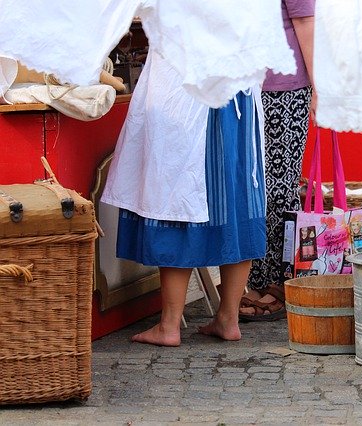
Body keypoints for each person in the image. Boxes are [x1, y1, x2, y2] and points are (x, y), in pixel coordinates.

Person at [101, 50, 267, 346]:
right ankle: (228, 318)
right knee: (235, 204)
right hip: (236, 93)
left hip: (188, 90)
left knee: (176, 199)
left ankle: (169, 325)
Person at [239, 0, 316, 322]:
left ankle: (280, 282)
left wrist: (320, 88)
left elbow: (306, 24)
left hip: (284, 90)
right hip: (243, 89)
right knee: (253, 190)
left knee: (279, 190)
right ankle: (258, 279)